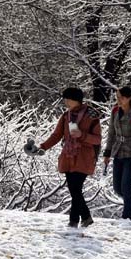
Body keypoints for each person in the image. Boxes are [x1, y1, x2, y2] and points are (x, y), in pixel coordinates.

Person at [33, 87, 102, 228]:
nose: (65, 102)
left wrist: (82, 135)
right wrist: (43, 147)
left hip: (84, 157)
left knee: (75, 188)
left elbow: (98, 139)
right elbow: (56, 135)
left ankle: (79, 218)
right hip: (68, 157)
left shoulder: (92, 115)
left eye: (68, 99)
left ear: (76, 100)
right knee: (74, 189)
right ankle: (79, 219)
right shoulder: (66, 116)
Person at [103, 86, 131, 220]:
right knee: (117, 188)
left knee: (126, 187)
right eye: (117, 97)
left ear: (129, 98)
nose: (119, 100)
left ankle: (126, 218)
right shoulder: (115, 111)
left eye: (121, 98)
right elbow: (111, 133)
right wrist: (107, 153)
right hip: (117, 152)